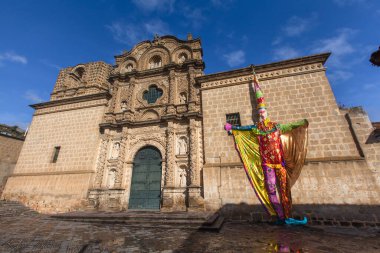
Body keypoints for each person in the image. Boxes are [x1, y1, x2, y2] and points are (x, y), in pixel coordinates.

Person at [224, 76, 308, 225]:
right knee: (270, 189)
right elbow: (244, 128)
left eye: (263, 111)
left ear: (267, 112)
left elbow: (290, 126)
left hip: (279, 163)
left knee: (284, 188)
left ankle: (288, 216)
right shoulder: (256, 129)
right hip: (267, 164)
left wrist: (301, 123)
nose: (262, 113)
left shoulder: (277, 126)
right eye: (260, 112)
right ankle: (280, 216)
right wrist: (233, 128)